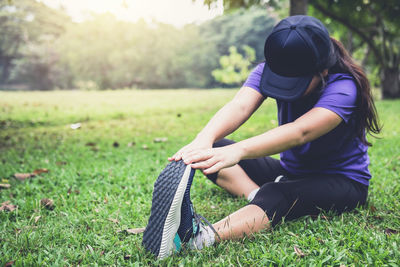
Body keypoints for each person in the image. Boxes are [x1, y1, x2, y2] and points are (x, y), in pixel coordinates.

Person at [150, 15, 381, 256]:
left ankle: (197, 239)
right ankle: (255, 196)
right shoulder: (273, 68)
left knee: (276, 193)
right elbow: (239, 106)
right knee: (215, 149)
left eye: (295, 83)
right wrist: (203, 140)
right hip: (292, 173)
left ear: (322, 71)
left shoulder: (344, 87)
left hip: (343, 183)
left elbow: (300, 131)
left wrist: (237, 151)